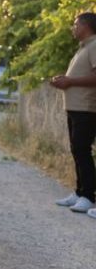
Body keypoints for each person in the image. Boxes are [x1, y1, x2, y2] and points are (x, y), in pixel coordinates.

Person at [51, 11, 96, 216]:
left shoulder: (95, 45)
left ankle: (88, 196)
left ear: (86, 26)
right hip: (75, 107)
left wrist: (70, 82)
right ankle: (79, 193)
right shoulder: (83, 48)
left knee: (82, 149)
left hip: (87, 108)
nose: (73, 27)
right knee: (76, 149)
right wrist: (64, 79)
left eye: (75, 24)